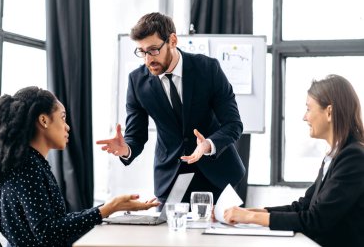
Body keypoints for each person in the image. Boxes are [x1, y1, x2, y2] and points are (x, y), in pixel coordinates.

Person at [97, 12, 245, 206]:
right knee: (170, 232)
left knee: (216, 233)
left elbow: (233, 124)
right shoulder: (137, 81)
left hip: (216, 174)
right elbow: (136, 135)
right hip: (171, 178)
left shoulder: (208, 69)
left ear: (172, 40)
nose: (148, 59)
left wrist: (207, 144)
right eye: (142, 52)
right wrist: (126, 149)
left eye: (153, 50)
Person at [0, 86, 159, 247]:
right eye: (62, 117)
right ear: (44, 120)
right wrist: (109, 208)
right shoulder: (27, 167)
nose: (67, 127)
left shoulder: (31, 163)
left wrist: (111, 207)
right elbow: (48, 232)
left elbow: (55, 223)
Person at [223, 74, 364, 247]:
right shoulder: (334, 155)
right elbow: (302, 207)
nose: (305, 117)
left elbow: (316, 220)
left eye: (308, 109)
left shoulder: (354, 157)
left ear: (329, 112)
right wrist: (245, 212)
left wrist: (251, 217)